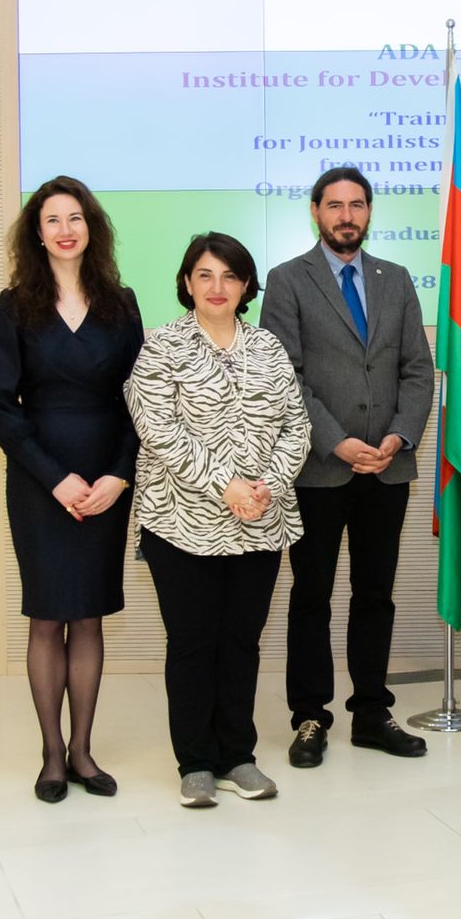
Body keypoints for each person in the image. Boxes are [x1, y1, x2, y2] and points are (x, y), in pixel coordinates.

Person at [125, 232, 311, 807]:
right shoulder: (161, 347)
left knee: (241, 642)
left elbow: (297, 427)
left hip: (260, 521)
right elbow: (158, 430)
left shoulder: (268, 348)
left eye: (230, 276)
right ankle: (196, 763)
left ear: (246, 286)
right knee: (192, 643)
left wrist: (267, 485)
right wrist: (224, 485)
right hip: (180, 523)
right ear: (186, 282)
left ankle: (238, 756)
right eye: (205, 275)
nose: (217, 286)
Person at [258, 166, 435, 767]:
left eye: (356, 205)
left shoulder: (396, 279)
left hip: (387, 466)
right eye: (334, 205)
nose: (346, 216)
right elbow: (286, 377)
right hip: (318, 469)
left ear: (369, 212)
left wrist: (398, 436)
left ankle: (371, 713)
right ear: (315, 212)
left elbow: (417, 369)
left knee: (375, 593)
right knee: (311, 595)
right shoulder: (287, 280)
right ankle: (310, 716)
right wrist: (336, 442)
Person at [0, 175, 142, 804]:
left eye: (75, 218)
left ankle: (82, 751)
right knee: (48, 616)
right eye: (53, 220)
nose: (66, 229)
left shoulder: (121, 303)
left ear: (90, 228)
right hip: (38, 480)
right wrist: (55, 478)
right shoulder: (15, 304)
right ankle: (51, 756)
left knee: (89, 614)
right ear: (37, 233)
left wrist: (118, 475)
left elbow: (140, 399)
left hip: (106, 481)